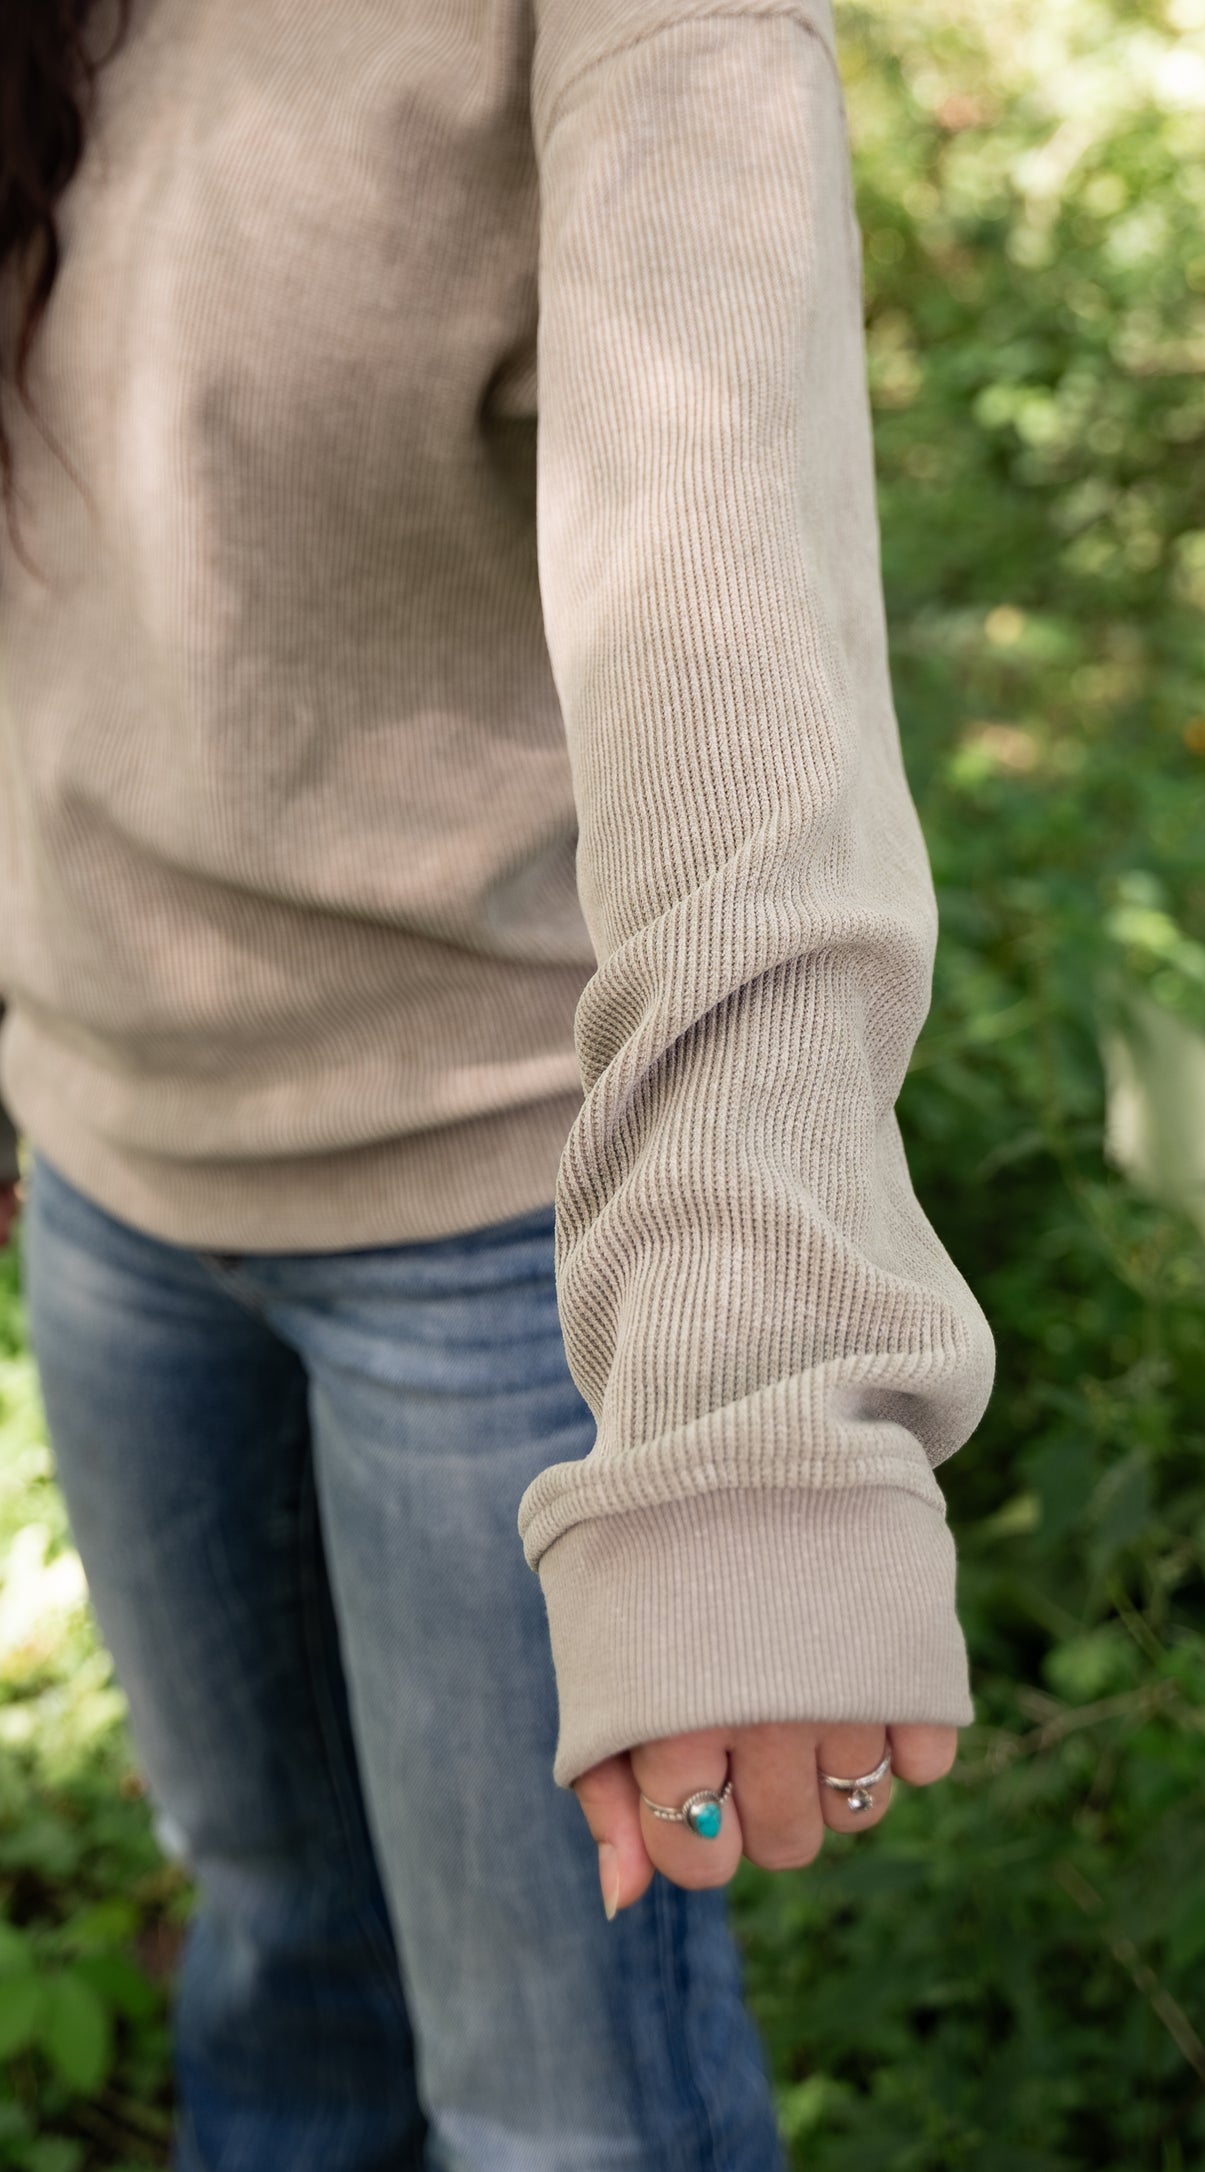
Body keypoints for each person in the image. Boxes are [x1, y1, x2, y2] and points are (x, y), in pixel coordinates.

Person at [0, 0, 996, 2166]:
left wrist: (747, 1391)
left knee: (559, 2113)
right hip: (114, 1176)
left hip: (490, 1246)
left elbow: (729, 636)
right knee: (270, 1938)